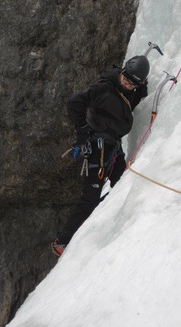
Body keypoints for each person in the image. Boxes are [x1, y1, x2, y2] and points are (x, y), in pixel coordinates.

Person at [51, 55, 150, 257]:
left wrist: (143, 87)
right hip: (98, 148)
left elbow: (134, 97)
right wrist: (83, 131)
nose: (128, 84)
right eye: (126, 79)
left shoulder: (130, 89)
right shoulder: (104, 89)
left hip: (113, 148)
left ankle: (111, 226)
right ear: (121, 73)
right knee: (90, 196)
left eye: (133, 83)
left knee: (122, 184)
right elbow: (74, 103)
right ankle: (61, 243)